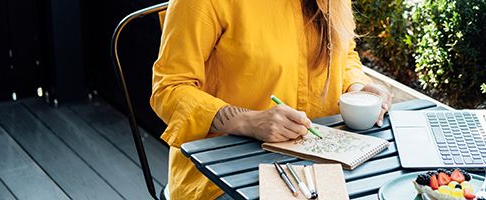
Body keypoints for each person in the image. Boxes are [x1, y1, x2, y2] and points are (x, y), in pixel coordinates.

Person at [150, 0, 392, 199]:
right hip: (225, 174)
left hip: (326, 161)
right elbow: (170, 89)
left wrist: (358, 87)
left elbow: (344, 50)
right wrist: (249, 121)